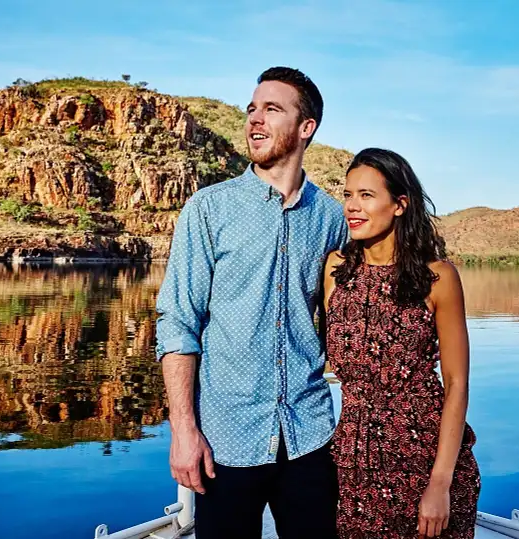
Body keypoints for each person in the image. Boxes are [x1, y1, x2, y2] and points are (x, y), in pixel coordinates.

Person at [154, 66, 347, 539]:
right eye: (252, 109)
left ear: (306, 128)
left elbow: (345, 318)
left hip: (309, 435)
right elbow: (179, 320)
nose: (255, 120)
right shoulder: (209, 208)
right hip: (226, 441)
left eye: (272, 109)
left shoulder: (331, 218)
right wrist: (183, 430)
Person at [322, 148, 481, 538]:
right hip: (352, 459)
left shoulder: (438, 278)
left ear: (399, 204)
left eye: (366, 195)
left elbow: (457, 383)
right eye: (348, 194)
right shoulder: (336, 270)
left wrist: (440, 484)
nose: (352, 207)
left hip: (424, 456)